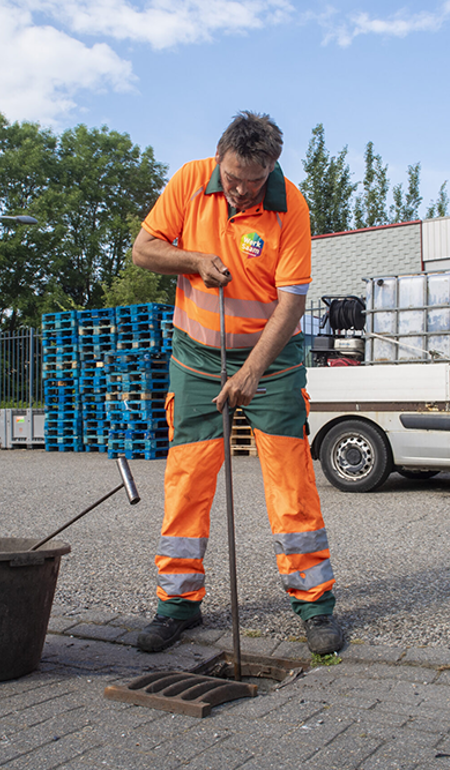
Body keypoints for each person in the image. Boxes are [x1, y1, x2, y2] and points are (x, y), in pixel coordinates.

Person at [131, 111, 343, 656]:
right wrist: (193, 260)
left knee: (290, 480)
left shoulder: (290, 205)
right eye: (232, 178)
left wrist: (251, 372)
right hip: (196, 359)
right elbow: (143, 249)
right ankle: (177, 604)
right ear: (218, 158)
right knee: (187, 481)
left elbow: (291, 303)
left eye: (253, 180)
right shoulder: (189, 180)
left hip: (272, 363)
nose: (242, 190)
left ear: (271, 167)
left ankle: (314, 604)